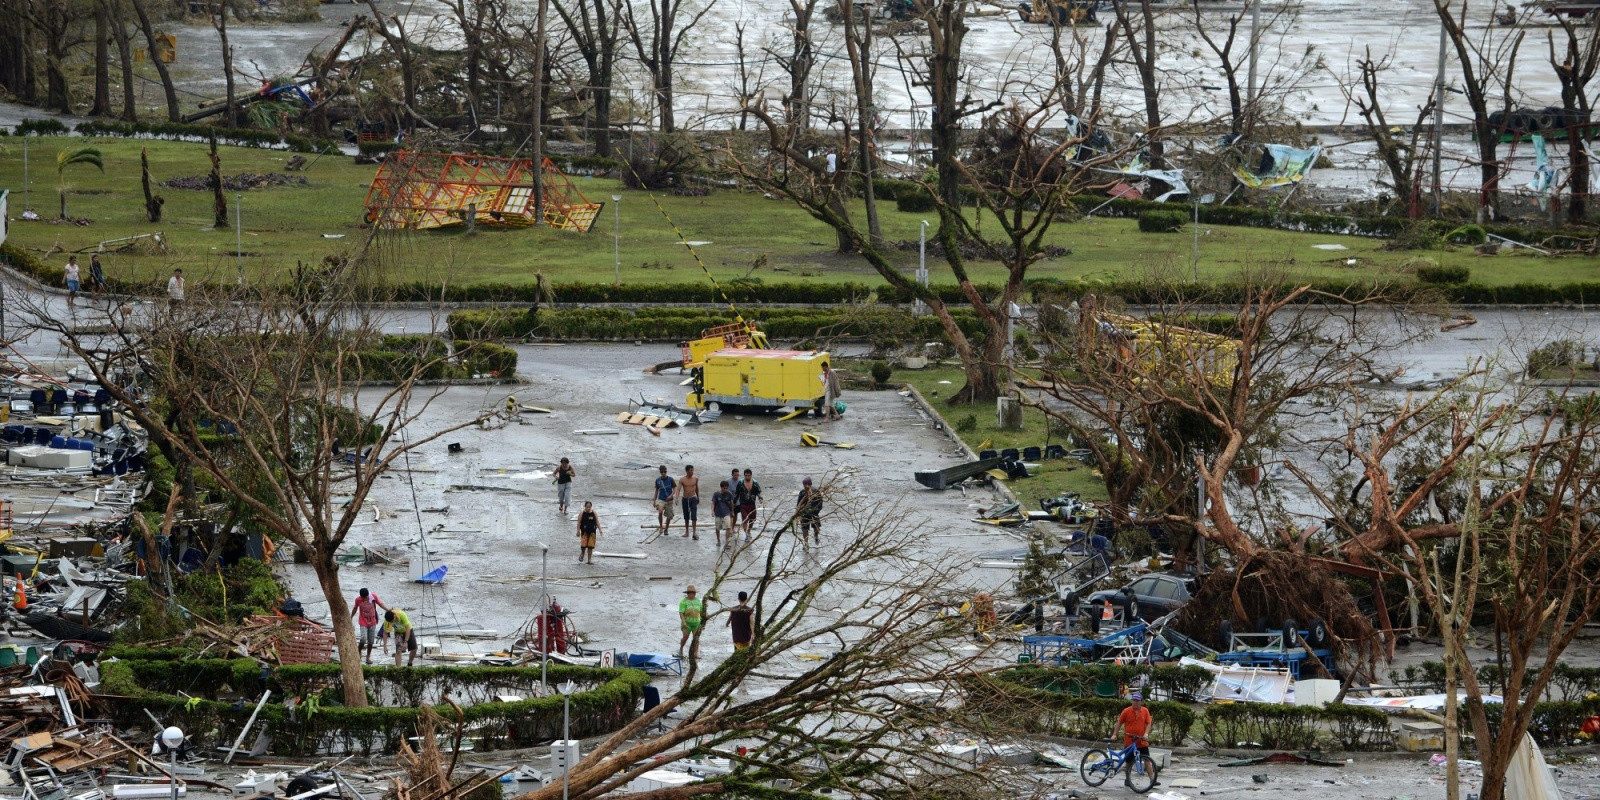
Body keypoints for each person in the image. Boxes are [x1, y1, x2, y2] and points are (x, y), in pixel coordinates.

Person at [1112, 693, 1154, 785]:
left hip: (1141, 741)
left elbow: (1148, 724)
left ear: (1141, 702)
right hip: (1129, 741)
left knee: (1147, 760)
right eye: (1134, 700)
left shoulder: (1145, 711)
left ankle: (1152, 780)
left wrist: (1146, 733)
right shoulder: (1126, 711)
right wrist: (1114, 734)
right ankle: (1127, 779)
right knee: (1129, 761)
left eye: (1137, 701)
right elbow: (1119, 723)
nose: (1135, 702)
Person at [350, 587, 388, 664]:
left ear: (368, 595)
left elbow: (380, 604)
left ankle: (368, 657)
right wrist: (350, 617)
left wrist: (388, 609)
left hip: (372, 621)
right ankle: (359, 651)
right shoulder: (358, 600)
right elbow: (355, 608)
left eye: (366, 597)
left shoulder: (373, 596)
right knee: (363, 639)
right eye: (363, 598)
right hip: (363, 621)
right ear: (361, 596)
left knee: (371, 641)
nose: (364, 599)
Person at [677, 584, 704, 659]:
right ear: (688, 593)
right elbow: (681, 613)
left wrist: (703, 621)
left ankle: (696, 653)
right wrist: (684, 622)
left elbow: (701, 612)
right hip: (687, 623)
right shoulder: (683, 602)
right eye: (691, 593)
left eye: (694, 593)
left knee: (696, 638)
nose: (693, 594)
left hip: (696, 623)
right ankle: (681, 648)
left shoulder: (698, 601)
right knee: (685, 637)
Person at [736, 469, 762, 541]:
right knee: (745, 520)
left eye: (749, 475)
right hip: (743, 504)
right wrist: (734, 503)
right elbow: (737, 493)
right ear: (744, 475)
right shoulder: (740, 482)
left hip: (752, 504)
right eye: (746, 475)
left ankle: (749, 530)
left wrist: (760, 498)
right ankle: (747, 534)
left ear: (751, 475)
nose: (747, 477)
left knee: (753, 519)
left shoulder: (755, 482)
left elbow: (758, 492)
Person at [796, 477, 823, 544]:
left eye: (808, 484)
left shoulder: (816, 492)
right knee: (805, 530)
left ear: (810, 484)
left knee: (816, 528)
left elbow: (820, 503)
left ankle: (816, 536)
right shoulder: (802, 493)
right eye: (805, 484)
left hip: (814, 513)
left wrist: (816, 511)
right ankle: (806, 543)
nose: (806, 486)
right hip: (804, 514)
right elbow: (798, 504)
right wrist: (799, 513)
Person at [652, 466, 676, 536]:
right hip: (661, 499)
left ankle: (666, 529)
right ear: (660, 472)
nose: (663, 473)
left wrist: (671, 496)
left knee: (669, 516)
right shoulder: (658, 480)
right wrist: (654, 501)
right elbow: (656, 490)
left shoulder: (671, 479)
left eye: (664, 472)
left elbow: (674, 488)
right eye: (661, 472)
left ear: (666, 471)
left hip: (669, 500)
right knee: (660, 511)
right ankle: (661, 526)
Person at [678, 465, 700, 540]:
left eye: (692, 470)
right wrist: (676, 498)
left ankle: (694, 532)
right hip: (685, 499)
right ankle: (687, 531)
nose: (691, 472)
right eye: (690, 470)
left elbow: (696, 488)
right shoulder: (682, 479)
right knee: (686, 515)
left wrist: (698, 497)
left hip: (693, 498)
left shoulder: (695, 478)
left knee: (694, 515)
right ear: (687, 471)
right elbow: (678, 489)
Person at [711, 480, 736, 547]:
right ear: (721, 487)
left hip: (726, 513)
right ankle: (718, 540)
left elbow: (731, 503)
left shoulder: (729, 494)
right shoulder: (716, 494)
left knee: (728, 527)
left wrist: (732, 511)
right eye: (724, 488)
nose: (725, 489)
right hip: (718, 513)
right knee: (717, 528)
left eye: (726, 488)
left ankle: (727, 542)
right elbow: (713, 503)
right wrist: (712, 511)